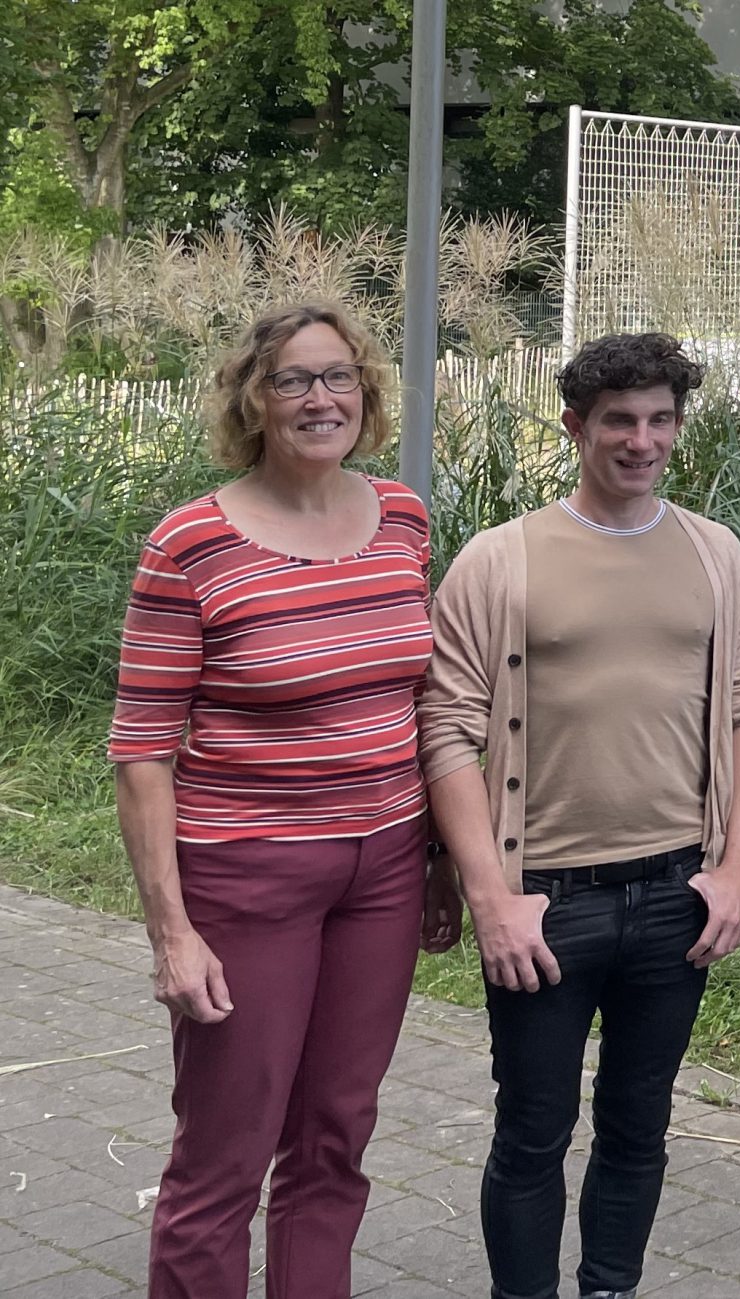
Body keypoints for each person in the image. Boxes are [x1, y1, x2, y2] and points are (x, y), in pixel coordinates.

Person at [109, 301, 459, 1297]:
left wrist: (437, 861)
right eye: (293, 379)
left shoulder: (402, 518)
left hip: (384, 872)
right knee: (224, 1154)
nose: (320, 398)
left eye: (338, 375)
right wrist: (171, 934)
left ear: (365, 391)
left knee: (334, 1137)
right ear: (253, 400)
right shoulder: (191, 544)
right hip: (247, 877)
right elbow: (141, 753)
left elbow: (418, 700)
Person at [421, 333, 740, 1299]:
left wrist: (735, 868)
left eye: (660, 419)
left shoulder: (714, 552)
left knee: (639, 1124)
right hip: (545, 903)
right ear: (576, 426)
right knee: (533, 1131)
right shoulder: (501, 561)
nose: (641, 440)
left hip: (675, 895)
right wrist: (490, 898)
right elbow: (445, 730)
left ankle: (611, 1285)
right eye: (619, 420)